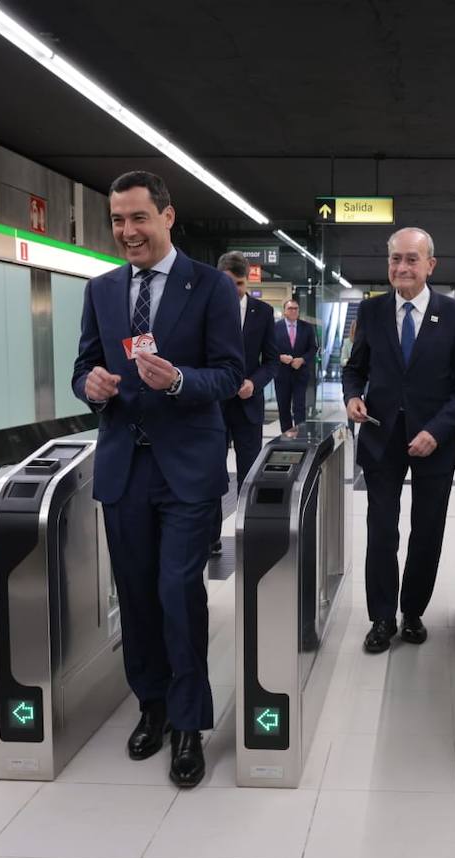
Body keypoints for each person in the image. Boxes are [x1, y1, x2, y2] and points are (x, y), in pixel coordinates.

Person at [71, 170, 242, 787]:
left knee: (178, 590)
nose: (127, 232)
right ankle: (153, 706)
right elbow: (84, 365)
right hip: (125, 467)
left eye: (138, 218)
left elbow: (228, 374)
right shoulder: (102, 290)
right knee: (137, 594)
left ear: (168, 217)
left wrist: (176, 381)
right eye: (117, 220)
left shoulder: (211, 287)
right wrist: (89, 386)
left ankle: (190, 723)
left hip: (188, 469)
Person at [343, 227, 455, 654]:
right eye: (394, 260)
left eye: (410, 260)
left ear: (430, 265)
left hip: (433, 444)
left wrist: (436, 431)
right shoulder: (372, 312)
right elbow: (355, 368)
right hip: (381, 437)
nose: (401, 267)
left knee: (427, 531)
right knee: (381, 531)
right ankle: (382, 616)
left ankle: (413, 611)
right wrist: (351, 397)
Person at [211, 251, 278, 555]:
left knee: (249, 472)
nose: (233, 289)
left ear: (246, 281)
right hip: (213, 405)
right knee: (211, 471)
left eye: (238, 283)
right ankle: (210, 536)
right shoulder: (205, 308)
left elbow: (272, 360)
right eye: (227, 282)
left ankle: (246, 534)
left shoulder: (262, 312)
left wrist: (254, 382)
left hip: (248, 406)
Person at [274, 299, 318, 432]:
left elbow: (313, 348)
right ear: (284, 311)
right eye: (290, 308)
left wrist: (302, 360)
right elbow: (268, 349)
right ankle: (286, 436)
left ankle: (301, 437)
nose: (293, 311)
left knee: (299, 407)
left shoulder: (307, 327)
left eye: (296, 308)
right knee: (283, 407)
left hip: (300, 373)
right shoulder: (275, 327)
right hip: (281, 374)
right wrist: (280, 357)